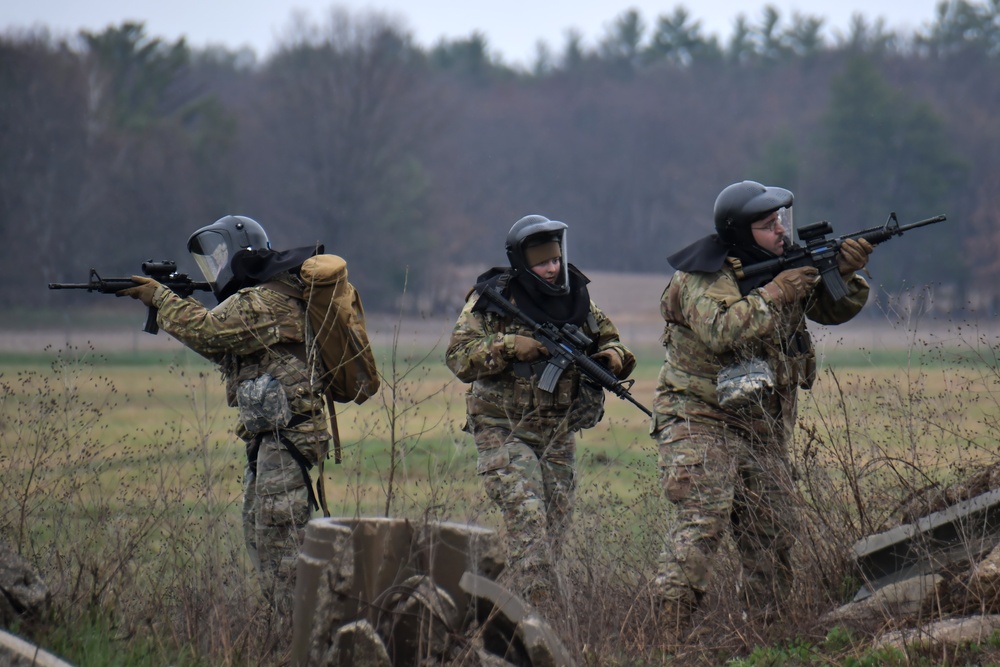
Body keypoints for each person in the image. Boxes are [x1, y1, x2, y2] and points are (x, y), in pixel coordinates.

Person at [650, 181, 873, 634]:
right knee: (703, 522)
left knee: (773, 532)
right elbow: (721, 329)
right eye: (768, 225)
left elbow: (832, 310)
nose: (780, 231)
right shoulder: (703, 275)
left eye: (782, 222)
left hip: (762, 425)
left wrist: (844, 273)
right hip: (700, 418)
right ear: (739, 232)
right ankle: (666, 638)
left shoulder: (785, 265)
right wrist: (776, 292)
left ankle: (764, 635)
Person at [117, 215, 332, 614]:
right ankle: (287, 626)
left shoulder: (265, 300)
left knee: (280, 541)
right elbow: (220, 345)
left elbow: (212, 331)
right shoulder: (261, 301)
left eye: (220, 257)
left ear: (240, 253)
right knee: (259, 530)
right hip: (272, 439)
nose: (215, 269)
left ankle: (299, 632)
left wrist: (162, 300)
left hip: (289, 440)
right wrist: (173, 306)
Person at [445, 214, 636, 609]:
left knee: (554, 529)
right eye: (542, 261)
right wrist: (509, 346)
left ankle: (518, 610)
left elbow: (615, 341)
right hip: (503, 428)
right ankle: (538, 618)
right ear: (523, 263)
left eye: (555, 259)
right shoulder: (491, 302)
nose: (552, 268)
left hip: (557, 432)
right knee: (528, 522)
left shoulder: (578, 299)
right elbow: (459, 358)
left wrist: (613, 359)